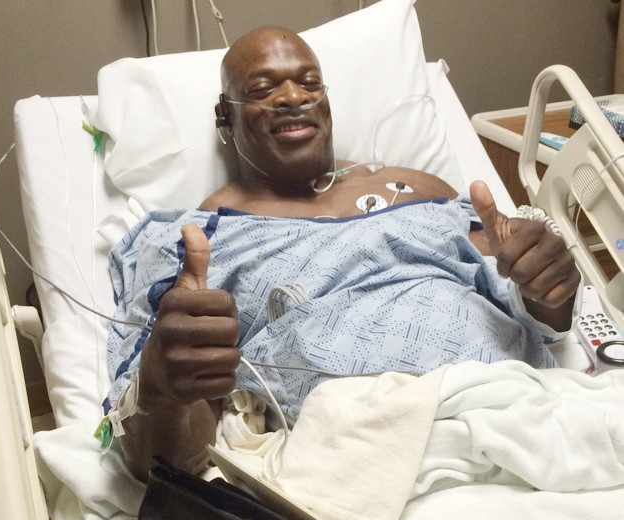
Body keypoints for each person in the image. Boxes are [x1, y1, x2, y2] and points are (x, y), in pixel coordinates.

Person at [105, 26, 581, 483]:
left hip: (528, 417)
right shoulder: (198, 241)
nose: (293, 97)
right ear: (224, 116)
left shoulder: (417, 189)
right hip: (368, 464)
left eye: (310, 83)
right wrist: (161, 390)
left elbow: (539, 318)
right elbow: (163, 458)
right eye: (263, 88)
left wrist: (550, 285)